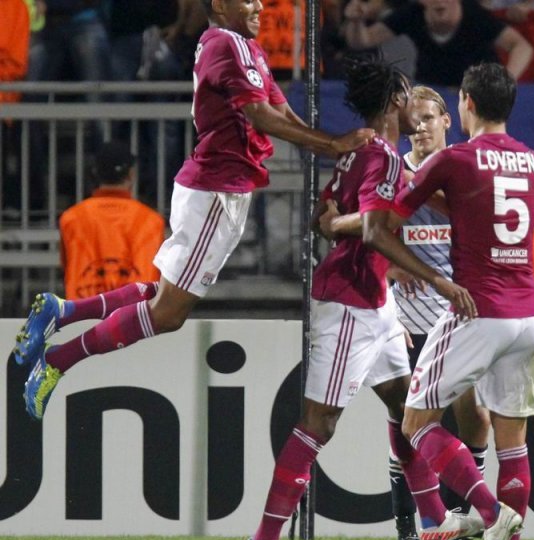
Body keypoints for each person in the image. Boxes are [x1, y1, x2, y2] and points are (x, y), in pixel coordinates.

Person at [13, 0, 376, 421]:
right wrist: (331, 145)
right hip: (215, 190)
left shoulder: (243, 45)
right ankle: (60, 360)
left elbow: (279, 108)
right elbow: (260, 115)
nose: (260, 5)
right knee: (168, 314)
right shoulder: (228, 44)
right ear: (220, 5)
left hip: (221, 188)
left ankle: (62, 311)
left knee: (160, 293)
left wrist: (328, 143)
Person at [240, 57, 483, 540]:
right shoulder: (382, 159)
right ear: (396, 101)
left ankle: (437, 531)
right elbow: (372, 229)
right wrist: (438, 278)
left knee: (406, 410)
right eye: (406, 96)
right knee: (318, 423)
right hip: (349, 301)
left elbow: (322, 217)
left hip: (375, 303)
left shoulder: (360, 151)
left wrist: (334, 224)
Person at [362, 62, 534, 540]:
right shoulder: (532, 161)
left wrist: (346, 212)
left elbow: (384, 220)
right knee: (514, 445)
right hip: (528, 312)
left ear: (463, 104)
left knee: (416, 422)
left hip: (475, 308)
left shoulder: (456, 161)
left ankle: (485, 515)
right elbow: (476, 208)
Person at [59, 141, 164, 300]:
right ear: (131, 174)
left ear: (95, 173)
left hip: (80, 317)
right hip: (133, 319)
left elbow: (66, 268)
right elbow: (153, 274)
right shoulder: (151, 221)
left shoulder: (70, 218)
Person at [341, 0, 533, 86]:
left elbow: (522, 47)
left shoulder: (475, 16)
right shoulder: (411, 14)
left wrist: (505, 82)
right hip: (432, 91)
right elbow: (362, 41)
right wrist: (355, 21)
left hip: (475, 96)